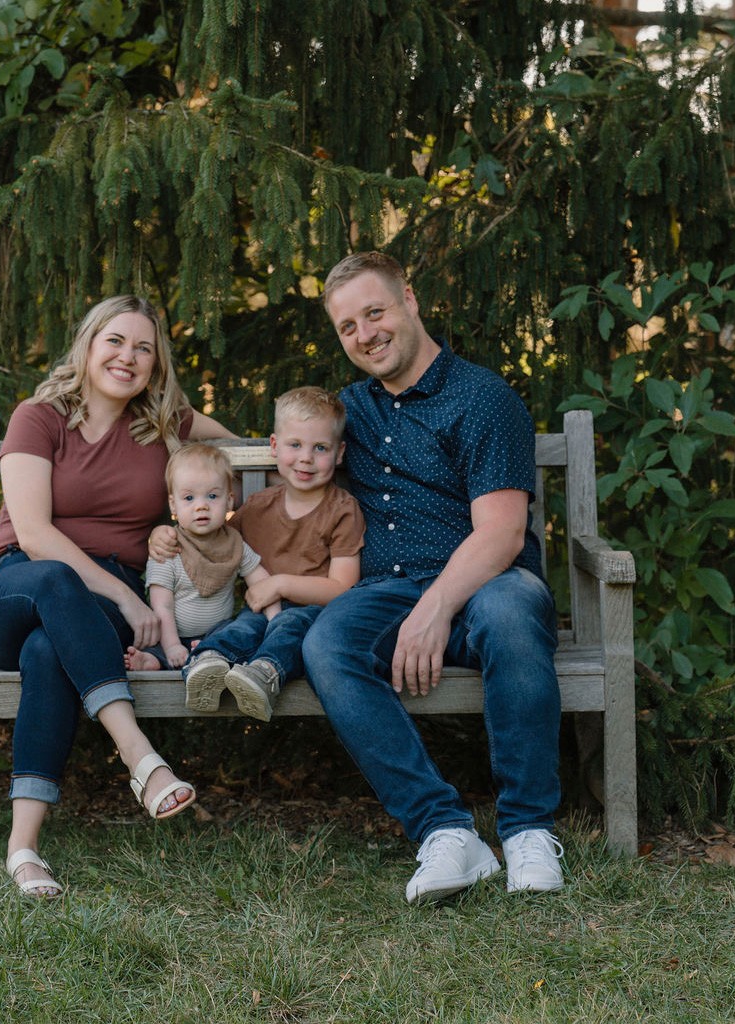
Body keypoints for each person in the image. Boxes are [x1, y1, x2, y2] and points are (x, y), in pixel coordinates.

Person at [302, 252, 564, 903]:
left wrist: (435, 608)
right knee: (325, 644)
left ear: (409, 301)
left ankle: (528, 830)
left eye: (374, 312)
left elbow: (501, 533)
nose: (365, 334)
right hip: (388, 591)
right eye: (348, 327)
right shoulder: (350, 412)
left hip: (488, 585)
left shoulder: (482, 397)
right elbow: (286, 440)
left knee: (511, 614)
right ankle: (447, 833)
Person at [0, 295, 234, 898]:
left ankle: (23, 848)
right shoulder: (39, 417)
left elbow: (237, 451)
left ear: (156, 365)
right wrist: (129, 598)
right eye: (115, 341)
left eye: (143, 348)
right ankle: (140, 756)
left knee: (47, 652)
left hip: (88, 617)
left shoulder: (167, 426)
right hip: (15, 586)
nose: (128, 356)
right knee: (56, 586)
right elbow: (34, 536)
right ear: (87, 345)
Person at [179, 386, 366, 722]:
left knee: (291, 625)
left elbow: (342, 587)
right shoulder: (257, 508)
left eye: (319, 448)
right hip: (259, 607)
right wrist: (167, 535)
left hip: (313, 613)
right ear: (275, 446)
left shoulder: (342, 510)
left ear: (339, 454)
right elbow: (215, 541)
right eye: (295, 445)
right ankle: (207, 663)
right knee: (243, 626)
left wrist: (280, 584)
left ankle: (265, 674)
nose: (306, 458)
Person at [123, 443, 277, 672]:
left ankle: (208, 652)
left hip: (216, 632)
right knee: (156, 644)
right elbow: (161, 605)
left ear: (229, 501)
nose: (201, 506)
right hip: (172, 634)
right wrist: (173, 645)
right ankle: (153, 660)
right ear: (173, 504)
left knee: (236, 630)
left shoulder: (234, 543)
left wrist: (275, 622)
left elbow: (262, 582)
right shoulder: (168, 547)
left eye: (212, 496)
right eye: (189, 498)